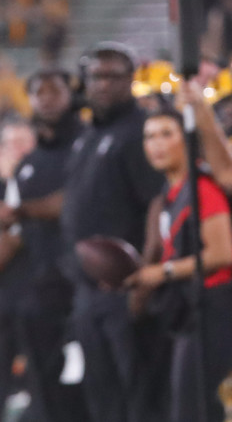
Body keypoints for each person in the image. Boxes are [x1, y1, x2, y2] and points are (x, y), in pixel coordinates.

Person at [62, 43, 168, 422]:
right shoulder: (90, 134)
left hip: (126, 286)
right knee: (102, 396)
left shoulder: (139, 131)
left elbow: (158, 202)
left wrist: (145, 276)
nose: (103, 85)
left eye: (113, 77)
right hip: (89, 290)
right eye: (96, 76)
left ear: (131, 80)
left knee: (138, 397)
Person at [0, 70, 91, 422]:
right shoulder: (30, 164)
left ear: (71, 94)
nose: (46, 98)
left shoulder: (86, 145)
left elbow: (76, 202)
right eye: (38, 92)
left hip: (83, 287)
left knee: (87, 389)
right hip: (38, 292)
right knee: (46, 389)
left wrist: (23, 211)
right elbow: (11, 230)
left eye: (54, 90)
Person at [126, 106, 232, 422]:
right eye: (149, 136)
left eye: (166, 134)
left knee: (193, 407)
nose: (156, 144)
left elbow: (223, 253)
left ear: (187, 139)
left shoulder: (202, 188)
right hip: (192, 306)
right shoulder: (172, 191)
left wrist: (164, 272)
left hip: (214, 305)